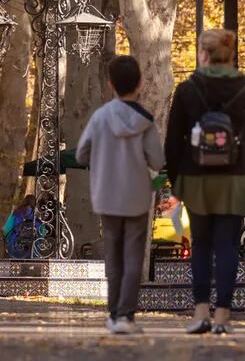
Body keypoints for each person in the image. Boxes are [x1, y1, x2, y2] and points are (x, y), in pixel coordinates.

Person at [165, 29, 245, 335]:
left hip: (196, 179)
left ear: (204, 53)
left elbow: (172, 142)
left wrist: (176, 181)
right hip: (237, 179)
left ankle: (201, 312)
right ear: (231, 54)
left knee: (200, 244)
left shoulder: (187, 90)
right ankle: (223, 316)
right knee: (227, 245)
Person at [77, 55, 165, 335]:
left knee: (112, 257)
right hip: (137, 197)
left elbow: (81, 153)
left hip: (106, 194)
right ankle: (127, 315)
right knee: (132, 257)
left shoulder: (99, 117)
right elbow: (158, 161)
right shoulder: (145, 121)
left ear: (110, 84)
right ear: (139, 83)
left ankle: (113, 314)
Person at [2, 195, 38, 259]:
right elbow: (42, 233)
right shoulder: (37, 216)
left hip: (14, 250)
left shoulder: (16, 213)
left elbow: (6, 229)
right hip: (31, 251)